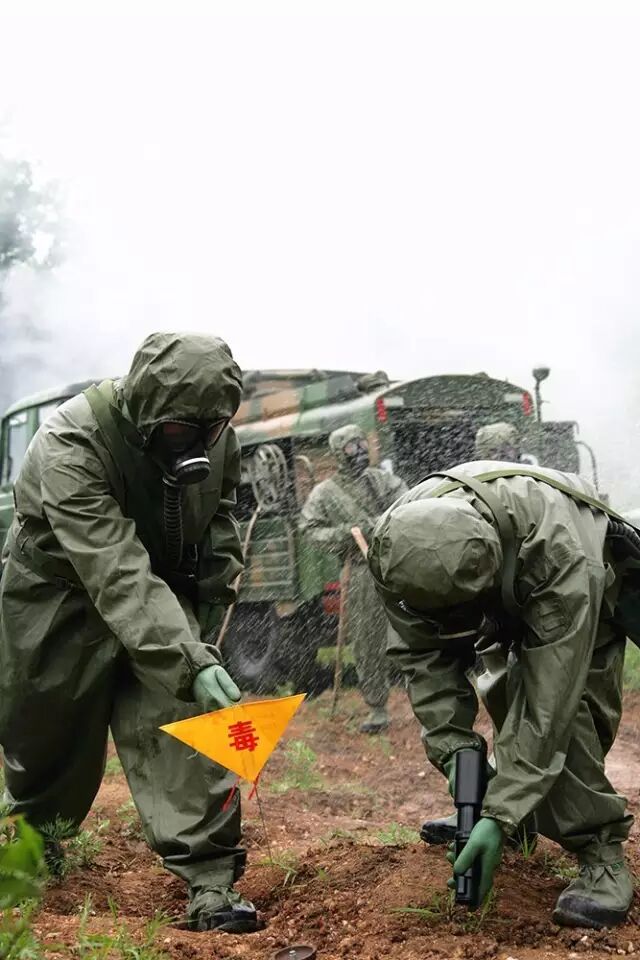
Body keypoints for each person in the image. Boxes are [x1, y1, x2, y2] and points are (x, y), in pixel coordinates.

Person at [0, 332, 257, 934]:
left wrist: (210, 596)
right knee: (45, 729)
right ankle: (36, 840)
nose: (198, 444)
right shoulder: (70, 444)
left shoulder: (215, 434)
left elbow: (218, 515)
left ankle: (210, 881)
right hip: (58, 595)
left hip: (157, 592)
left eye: (212, 428)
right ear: (145, 409)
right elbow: (114, 568)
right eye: (181, 430)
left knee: (185, 723)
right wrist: (189, 655)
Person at [368, 459, 636, 928]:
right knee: (499, 685)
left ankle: (602, 857)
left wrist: (498, 815)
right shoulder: (397, 550)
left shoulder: (558, 554)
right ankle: (514, 817)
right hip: (509, 576)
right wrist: (457, 757)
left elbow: (548, 705)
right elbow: (423, 658)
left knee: (568, 719)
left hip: (589, 571)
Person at [300, 424, 406, 733]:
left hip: (396, 564)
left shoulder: (382, 480)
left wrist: (380, 523)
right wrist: (345, 534)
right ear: (337, 454)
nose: (359, 452)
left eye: (362, 445)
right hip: (360, 571)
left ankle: (426, 698)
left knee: (412, 632)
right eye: (350, 448)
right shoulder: (325, 493)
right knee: (366, 640)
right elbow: (310, 529)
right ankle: (377, 708)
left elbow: (407, 502)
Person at [474, 421, 539, 465]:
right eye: (494, 450)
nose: (501, 454)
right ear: (486, 454)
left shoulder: (528, 466)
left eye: (507, 448)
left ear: (516, 448)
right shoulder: (482, 472)